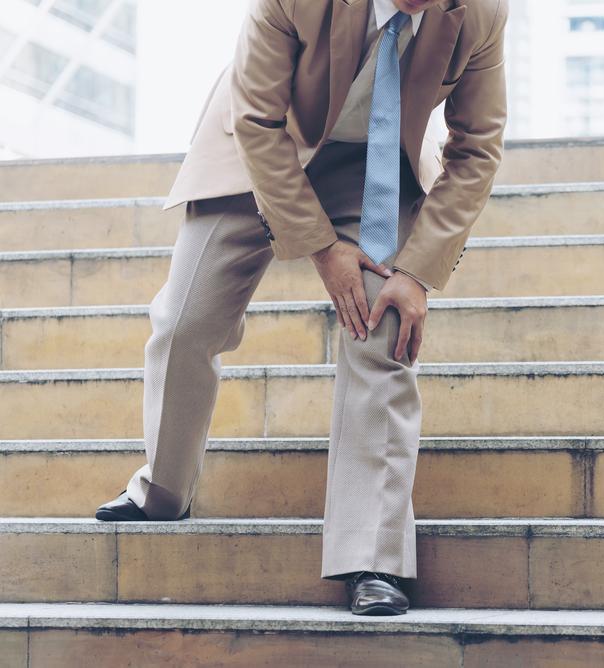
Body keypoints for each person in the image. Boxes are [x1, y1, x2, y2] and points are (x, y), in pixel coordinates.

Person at [95, 0, 509, 617]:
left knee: (383, 327)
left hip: (374, 166)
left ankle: (372, 556)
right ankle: (163, 490)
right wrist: (320, 246)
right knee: (185, 319)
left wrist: (417, 271)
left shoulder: (481, 12)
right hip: (259, 148)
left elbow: (475, 148)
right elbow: (257, 120)